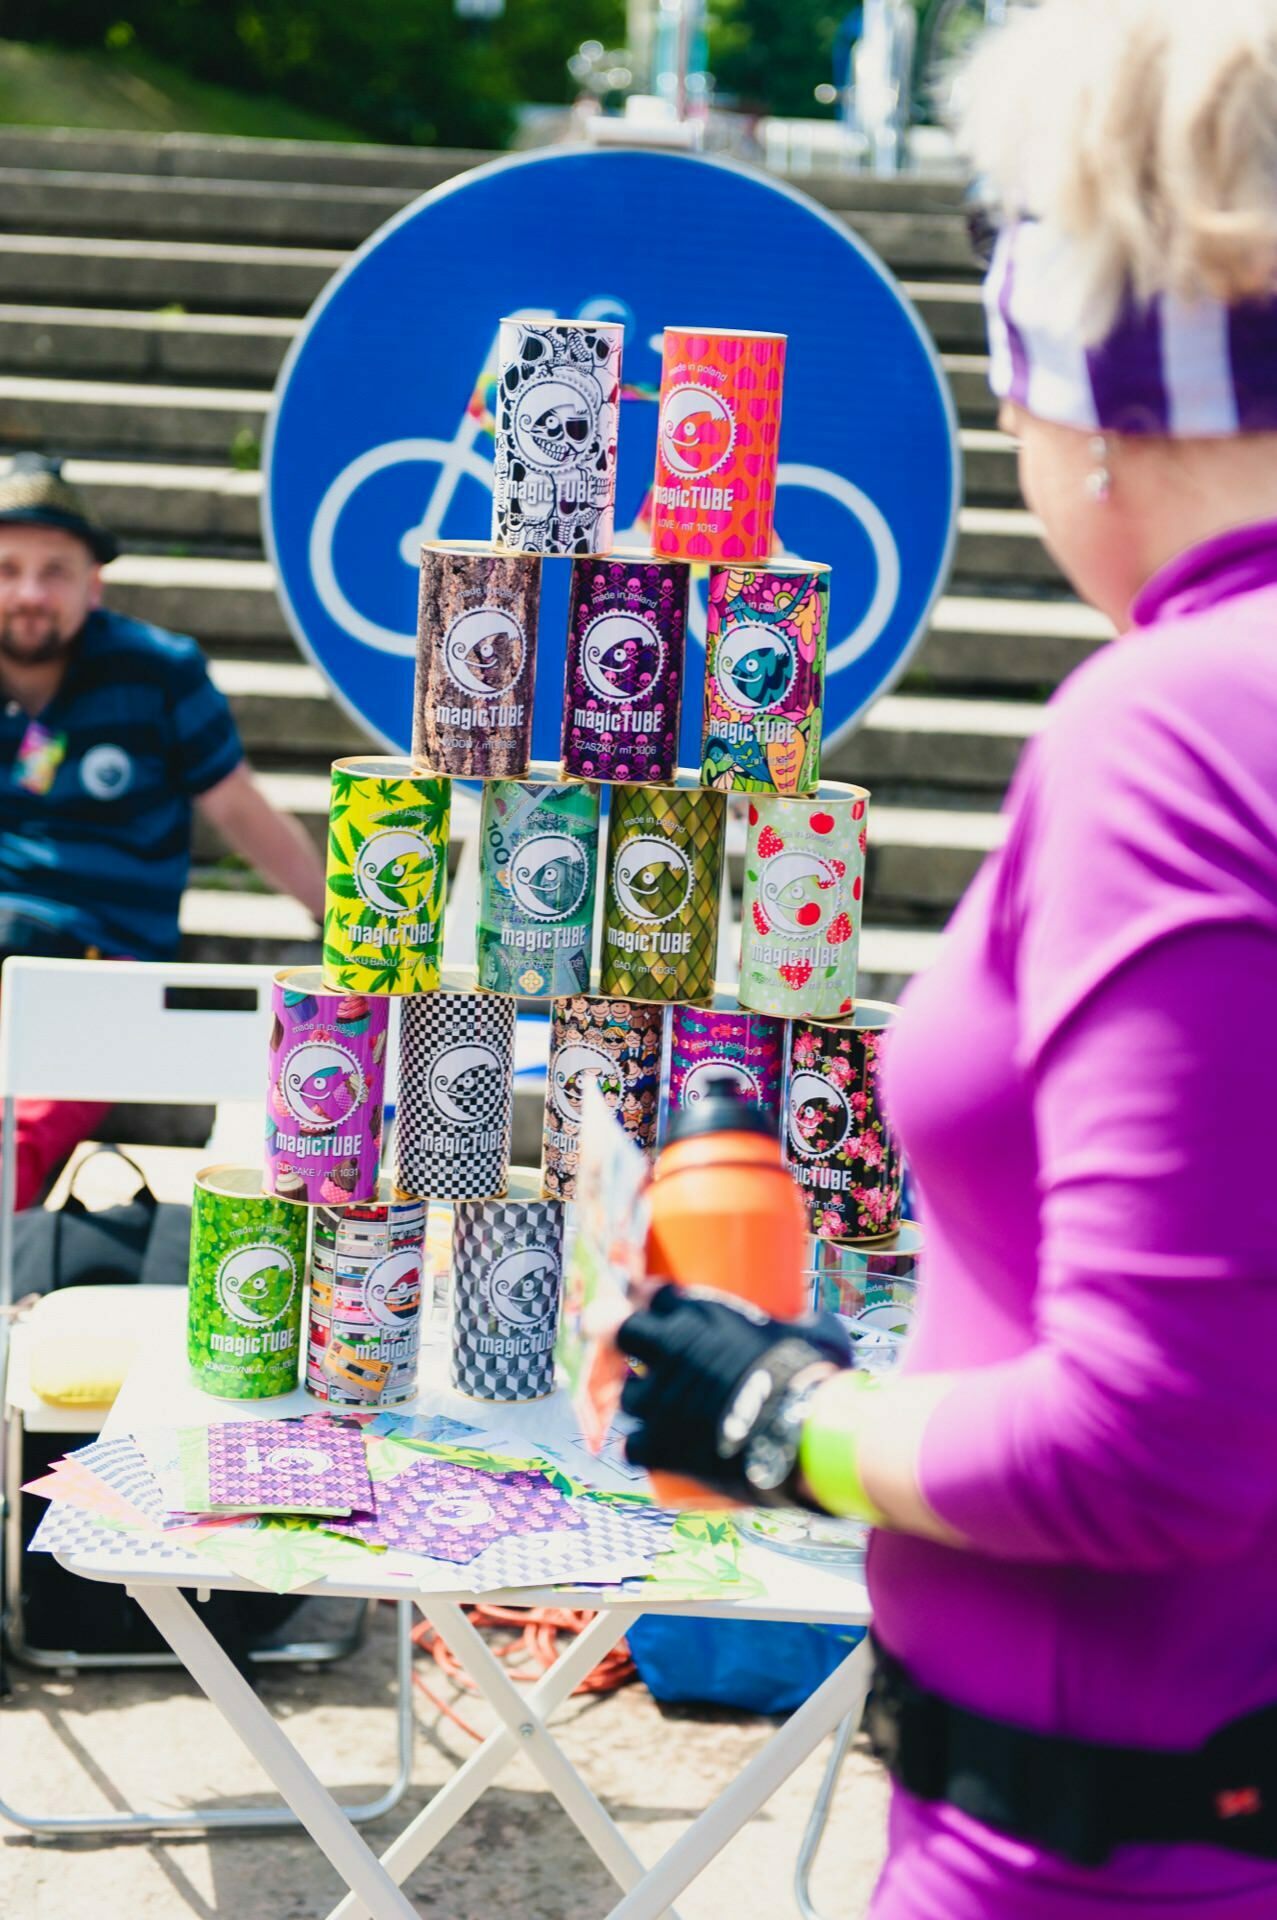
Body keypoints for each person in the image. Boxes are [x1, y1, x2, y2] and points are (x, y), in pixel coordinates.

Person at [618, 2, 1277, 1914]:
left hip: (1116, 1841)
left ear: (1075, 365)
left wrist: (781, 1409)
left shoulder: (1177, 725)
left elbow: (1157, 1452)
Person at [0, 453, 326, 1206]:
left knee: (14, 1129)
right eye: (9, 567)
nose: (28, 593)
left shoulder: (159, 672)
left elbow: (239, 809)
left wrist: (338, 922)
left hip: (100, 964)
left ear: (94, 583)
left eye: (54, 570)